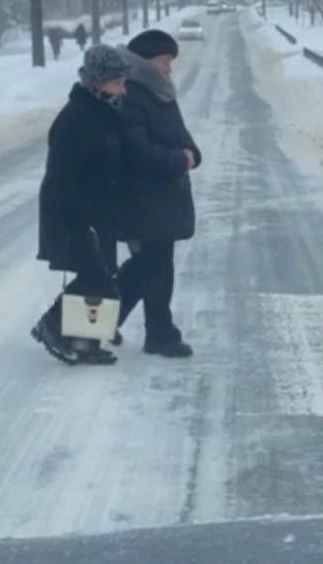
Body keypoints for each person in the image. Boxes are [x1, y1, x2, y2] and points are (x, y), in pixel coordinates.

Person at [32, 44, 129, 366]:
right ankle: (52, 324)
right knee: (95, 276)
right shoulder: (78, 117)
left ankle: (84, 341)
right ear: (97, 82)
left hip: (98, 211)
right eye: (117, 82)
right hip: (75, 213)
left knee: (100, 275)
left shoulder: (104, 112)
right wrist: (77, 219)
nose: (122, 89)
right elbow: (63, 174)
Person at [115, 29, 202, 358]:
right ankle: (159, 334)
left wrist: (192, 152)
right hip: (142, 196)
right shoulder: (133, 93)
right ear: (148, 61)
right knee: (153, 268)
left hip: (161, 196)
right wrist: (178, 159)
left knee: (152, 267)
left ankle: (108, 323)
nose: (170, 68)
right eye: (165, 62)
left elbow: (176, 133)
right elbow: (135, 150)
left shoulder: (157, 90)